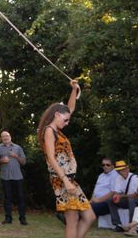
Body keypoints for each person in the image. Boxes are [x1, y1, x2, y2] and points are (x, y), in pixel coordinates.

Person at [38, 80, 95, 238]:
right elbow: (50, 157)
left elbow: (69, 109)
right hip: (62, 179)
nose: (67, 123)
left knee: (89, 216)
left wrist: (74, 90)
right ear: (56, 115)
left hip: (69, 179)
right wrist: (65, 180)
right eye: (65, 120)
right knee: (73, 220)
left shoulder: (57, 128)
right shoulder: (49, 130)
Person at [0, 129, 27, 225]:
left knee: (21, 198)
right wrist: (1, 161)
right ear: (1, 138)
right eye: (3, 136)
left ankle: (22, 219)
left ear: (10, 137)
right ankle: (8, 219)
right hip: (5, 177)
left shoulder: (18, 148)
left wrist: (16, 156)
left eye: (6, 136)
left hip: (18, 177)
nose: (5, 138)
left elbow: (24, 162)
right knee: (7, 198)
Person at [107, 160, 138, 232]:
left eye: (123, 169)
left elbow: (137, 195)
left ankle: (132, 225)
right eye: (119, 170)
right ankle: (118, 225)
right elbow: (117, 192)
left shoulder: (134, 178)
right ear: (117, 172)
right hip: (127, 200)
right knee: (110, 200)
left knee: (131, 200)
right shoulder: (118, 179)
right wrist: (116, 197)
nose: (122, 171)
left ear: (127, 169)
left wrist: (121, 196)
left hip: (137, 200)